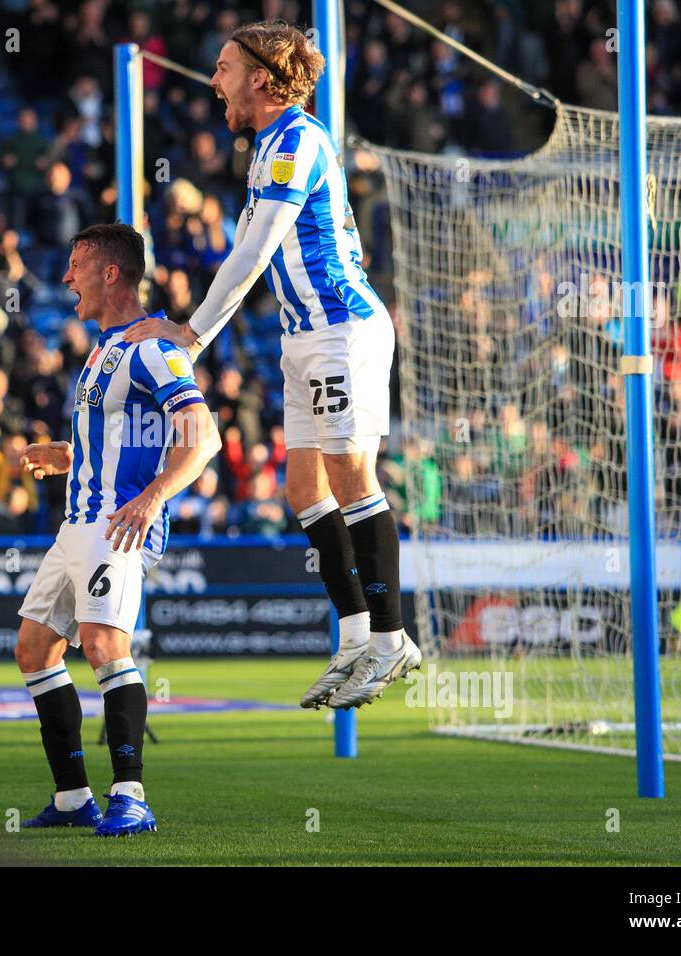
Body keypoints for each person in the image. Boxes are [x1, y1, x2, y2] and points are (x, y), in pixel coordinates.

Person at [123, 19, 417, 710]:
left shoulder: (296, 142)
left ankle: (391, 637)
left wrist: (193, 334)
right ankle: (353, 634)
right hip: (302, 336)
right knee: (302, 490)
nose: (214, 80)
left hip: (341, 329)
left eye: (223, 67)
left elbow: (252, 253)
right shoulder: (267, 147)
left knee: (350, 475)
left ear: (261, 76)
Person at [14, 224, 220, 836]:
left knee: (105, 647)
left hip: (115, 527)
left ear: (110, 273)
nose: (65, 278)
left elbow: (201, 437)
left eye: (76, 265)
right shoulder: (103, 350)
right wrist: (66, 453)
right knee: (33, 650)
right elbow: (117, 444)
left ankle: (131, 798)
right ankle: (75, 799)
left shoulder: (154, 348)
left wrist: (155, 498)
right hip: (75, 523)